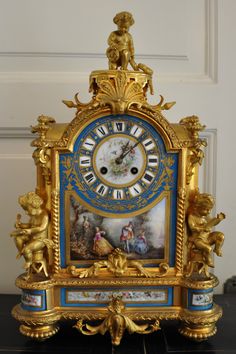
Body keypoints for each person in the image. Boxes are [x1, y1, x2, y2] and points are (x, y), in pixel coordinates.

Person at [11, 191, 53, 272]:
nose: (26, 212)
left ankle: (28, 261)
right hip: (32, 237)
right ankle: (21, 252)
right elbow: (29, 225)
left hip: (41, 240)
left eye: (27, 209)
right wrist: (21, 225)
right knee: (18, 239)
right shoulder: (33, 216)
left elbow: (42, 228)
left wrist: (29, 231)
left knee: (27, 249)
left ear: (35, 205)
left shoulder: (44, 215)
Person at [187, 192, 225, 267]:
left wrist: (218, 219)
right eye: (205, 209)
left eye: (209, 209)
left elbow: (212, 223)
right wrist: (202, 229)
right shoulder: (192, 217)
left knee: (221, 236)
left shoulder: (206, 216)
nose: (208, 212)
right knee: (208, 248)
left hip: (208, 237)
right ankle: (208, 258)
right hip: (198, 240)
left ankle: (217, 249)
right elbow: (192, 228)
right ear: (196, 207)